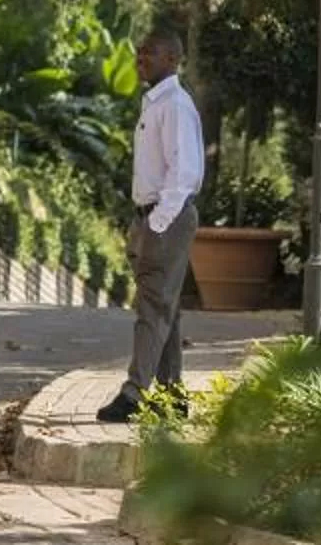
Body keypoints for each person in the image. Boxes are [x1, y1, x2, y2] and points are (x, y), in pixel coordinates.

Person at [98, 27, 205, 423]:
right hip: (152, 217)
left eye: (151, 52)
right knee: (166, 309)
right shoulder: (155, 103)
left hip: (167, 218)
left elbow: (185, 169)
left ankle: (134, 394)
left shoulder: (175, 104)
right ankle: (171, 394)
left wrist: (159, 223)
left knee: (152, 308)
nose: (141, 57)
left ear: (173, 60)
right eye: (140, 51)